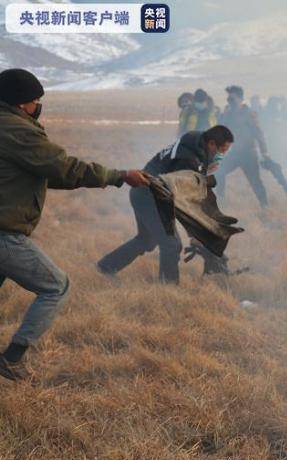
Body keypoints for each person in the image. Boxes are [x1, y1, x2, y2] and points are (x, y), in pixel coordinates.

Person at [0, 68, 149, 381]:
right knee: (56, 286)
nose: (38, 105)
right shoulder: (17, 131)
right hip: (5, 234)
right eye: (35, 100)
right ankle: (13, 358)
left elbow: (45, 173)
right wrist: (119, 176)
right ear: (20, 102)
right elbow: (63, 168)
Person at [96, 125, 234, 284]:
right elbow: (186, 200)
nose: (223, 155)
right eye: (223, 150)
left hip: (148, 194)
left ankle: (105, 267)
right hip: (148, 196)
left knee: (146, 240)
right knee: (171, 244)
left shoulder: (196, 144)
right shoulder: (188, 159)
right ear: (211, 144)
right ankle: (168, 290)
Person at [216, 85, 271, 209]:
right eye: (228, 99)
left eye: (233, 99)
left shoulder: (249, 114)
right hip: (234, 153)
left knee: (255, 181)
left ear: (240, 99)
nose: (230, 101)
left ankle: (265, 205)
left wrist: (265, 152)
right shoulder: (227, 114)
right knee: (219, 172)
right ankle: (220, 202)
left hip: (248, 154)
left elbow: (259, 133)